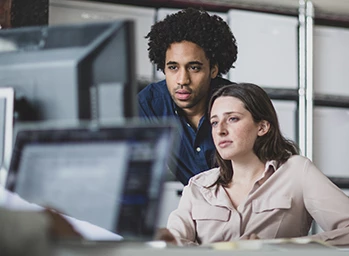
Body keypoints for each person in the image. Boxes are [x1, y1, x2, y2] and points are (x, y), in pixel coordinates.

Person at [162, 83, 349, 246]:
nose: (220, 131)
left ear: (262, 127)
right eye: (214, 122)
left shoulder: (297, 171)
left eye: (232, 119)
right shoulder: (198, 186)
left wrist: (282, 248)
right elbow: (174, 244)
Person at [138, 8, 238, 185]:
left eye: (194, 67)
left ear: (213, 69)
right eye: (173, 67)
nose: (182, 80)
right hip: (195, 205)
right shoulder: (150, 104)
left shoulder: (237, 103)